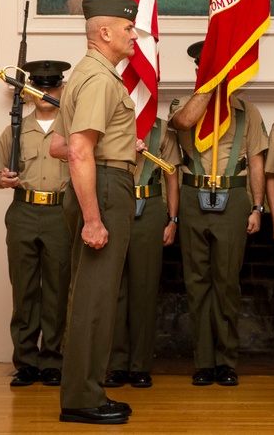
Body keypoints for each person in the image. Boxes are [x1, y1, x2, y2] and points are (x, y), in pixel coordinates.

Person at [51, 0, 140, 425]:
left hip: (101, 183)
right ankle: (84, 397)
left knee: (89, 293)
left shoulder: (87, 75)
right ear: (104, 33)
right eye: (127, 29)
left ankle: (83, 390)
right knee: (95, 296)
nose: (134, 34)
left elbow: (65, 144)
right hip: (103, 186)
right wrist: (92, 218)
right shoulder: (101, 79)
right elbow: (80, 151)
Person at [168, 40, 268, 388]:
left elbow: (257, 160)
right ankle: (203, 361)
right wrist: (209, 88)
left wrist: (258, 206)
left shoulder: (247, 112)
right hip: (194, 195)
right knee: (197, 284)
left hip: (233, 195)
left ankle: (226, 362)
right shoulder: (182, 104)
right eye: (206, 68)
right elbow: (183, 122)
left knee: (226, 284)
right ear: (198, 70)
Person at [0, 60, 73, 388]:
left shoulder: (72, 131)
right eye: (39, 87)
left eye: (51, 87)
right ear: (29, 92)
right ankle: (26, 361)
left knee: (56, 288)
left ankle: (52, 359)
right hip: (24, 212)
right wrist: (3, 179)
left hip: (59, 214)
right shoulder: (15, 129)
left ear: (61, 89)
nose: (45, 93)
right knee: (24, 289)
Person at [102, 118, 181, 389]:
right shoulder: (107, 124)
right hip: (113, 208)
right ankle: (116, 365)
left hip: (149, 208)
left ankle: (140, 366)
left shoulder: (162, 131)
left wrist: (173, 220)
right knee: (115, 292)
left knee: (144, 291)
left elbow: (172, 176)